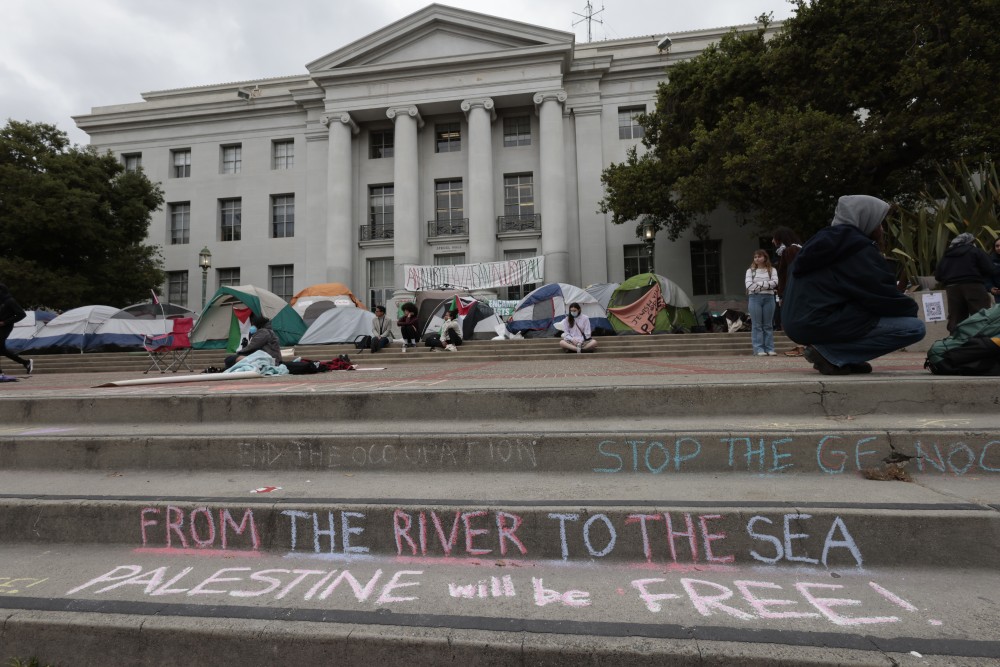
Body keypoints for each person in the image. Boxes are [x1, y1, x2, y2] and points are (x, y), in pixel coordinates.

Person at [782, 195, 925, 375]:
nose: (881, 229)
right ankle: (831, 354)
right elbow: (881, 295)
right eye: (879, 223)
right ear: (866, 219)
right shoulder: (855, 248)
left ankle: (845, 358)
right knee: (914, 328)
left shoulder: (818, 244)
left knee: (863, 313)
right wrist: (910, 308)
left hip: (798, 323)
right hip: (818, 321)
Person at [934, 233, 993, 332]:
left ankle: (956, 341)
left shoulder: (947, 255)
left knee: (956, 318)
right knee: (981, 315)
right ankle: (982, 342)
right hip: (974, 286)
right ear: (970, 242)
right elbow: (990, 269)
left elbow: (938, 276)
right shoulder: (975, 251)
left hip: (952, 288)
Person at [772, 227, 804, 356]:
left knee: (795, 317)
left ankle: (802, 346)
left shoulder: (791, 251)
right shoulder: (795, 249)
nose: (772, 241)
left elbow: (788, 274)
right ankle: (801, 345)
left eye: (774, 238)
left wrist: (782, 294)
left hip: (793, 291)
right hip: (795, 289)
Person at [745, 250, 778, 356]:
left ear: (765, 257)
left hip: (769, 298)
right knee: (757, 325)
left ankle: (770, 348)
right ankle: (759, 349)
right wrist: (766, 284)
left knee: (768, 325)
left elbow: (775, 283)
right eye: (755, 257)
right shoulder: (750, 271)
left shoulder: (772, 270)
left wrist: (758, 284)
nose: (757, 259)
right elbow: (749, 286)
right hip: (754, 298)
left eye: (759, 256)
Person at [0, 284, 33, 376]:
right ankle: (26, 363)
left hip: (5, 327)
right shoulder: (1, 302)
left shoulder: (10, 301)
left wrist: (5, 322)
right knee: (2, 350)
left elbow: (21, 314)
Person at [989, 237, 1000, 304]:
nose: (999, 248)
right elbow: (986, 277)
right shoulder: (990, 260)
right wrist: (990, 287)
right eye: (997, 246)